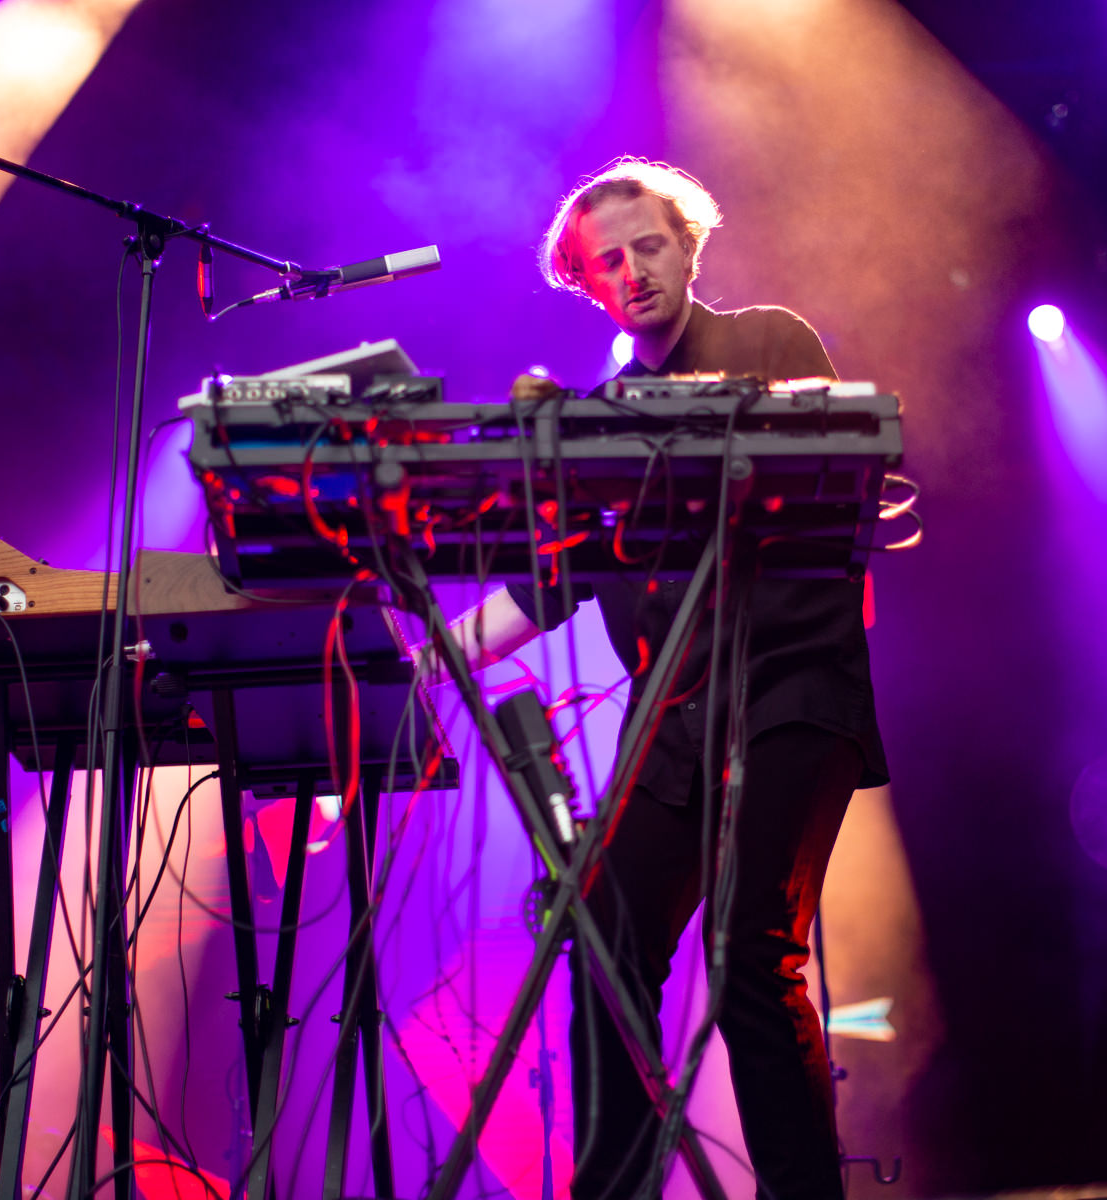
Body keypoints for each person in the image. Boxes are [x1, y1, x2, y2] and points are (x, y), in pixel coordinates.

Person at [438, 159, 888, 1199]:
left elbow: (834, 472)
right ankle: (616, 1187)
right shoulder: (605, 416)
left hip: (786, 699)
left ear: (689, 247)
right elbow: (547, 588)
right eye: (608, 262)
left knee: (746, 956)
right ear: (584, 284)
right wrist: (430, 650)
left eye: (649, 247)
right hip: (675, 734)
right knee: (601, 935)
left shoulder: (770, 340)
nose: (633, 271)